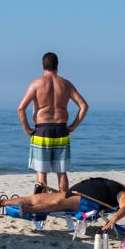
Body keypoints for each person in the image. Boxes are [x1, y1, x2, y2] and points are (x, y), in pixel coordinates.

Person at [18, 52, 89, 194]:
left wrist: (27, 129)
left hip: (42, 130)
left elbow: (21, 109)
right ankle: (64, 201)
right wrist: (73, 126)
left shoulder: (36, 84)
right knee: (61, 171)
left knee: (41, 171)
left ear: (42, 65)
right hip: (62, 130)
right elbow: (84, 106)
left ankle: (42, 203)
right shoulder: (66, 84)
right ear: (57, 65)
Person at [0, 177, 125, 232]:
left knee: (56, 203)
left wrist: (114, 219)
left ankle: (28, 210)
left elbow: (124, 207)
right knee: (37, 198)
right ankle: (0, 202)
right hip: (78, 193)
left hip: (87, 201)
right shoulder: (124, 188)